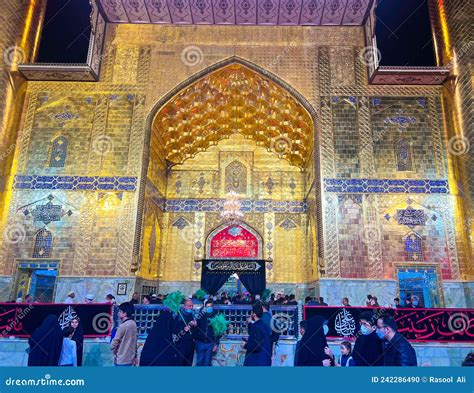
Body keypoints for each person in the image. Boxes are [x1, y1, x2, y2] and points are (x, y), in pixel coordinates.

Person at [110, 302, 137, 366]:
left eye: (120, 311)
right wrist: (135, 355)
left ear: (125, 313)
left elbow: (115, 342)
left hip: (121, 359)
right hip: (130, 359)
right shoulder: (133, 324)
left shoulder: (123, 326)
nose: (118, 313)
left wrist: (113, 349)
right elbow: (135, 341)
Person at [194, 299, 220, 366]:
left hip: (210, 343)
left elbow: (218, 332)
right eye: (207, 306)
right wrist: (196, 338)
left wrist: (216, 344)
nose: (209, 308)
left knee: (207, 363)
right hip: (200, 342)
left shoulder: (216, 317)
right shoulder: (200, 316)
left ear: (212, 307)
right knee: (199, 363)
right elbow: (195, 328)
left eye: (210, 306)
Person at [175, 298, 197, 366]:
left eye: (192, 306)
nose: (191, 307)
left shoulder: (193, 315)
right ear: (184, 306)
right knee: (180, 363)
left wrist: (196, 325)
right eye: (189, 306)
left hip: (191, 344)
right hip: (181, 344)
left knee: (188, 363)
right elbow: (175, 331)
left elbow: (196, 331)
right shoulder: (179, 316)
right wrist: (184, 330)